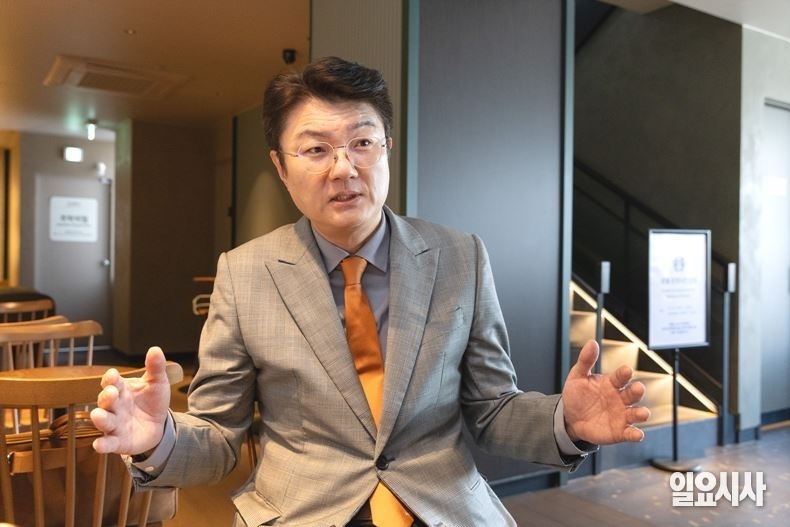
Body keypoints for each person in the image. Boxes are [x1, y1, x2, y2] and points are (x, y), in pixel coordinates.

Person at [90, 56, 650, 527]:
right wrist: (158, 438)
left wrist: (565, 422)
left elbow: (491, 409)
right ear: (281, 167)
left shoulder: (460, 257)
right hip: (303, 512)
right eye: (316, 150)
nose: (344, 168)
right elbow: (218, 435)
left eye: (362, 142)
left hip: (442, 508)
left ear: (386, 148)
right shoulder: (245, 273)